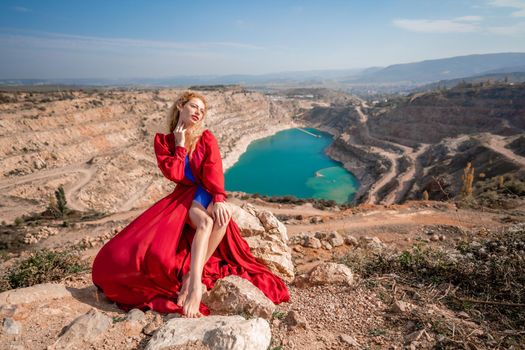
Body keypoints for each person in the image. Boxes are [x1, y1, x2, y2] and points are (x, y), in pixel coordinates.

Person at [92, 91, 290, 318]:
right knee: (202, 223)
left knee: (220, 220)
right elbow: (175, 174)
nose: (198, 112)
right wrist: (180, 145)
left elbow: (214, 169)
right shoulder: (163, 142)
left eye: (202, 110)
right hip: (185, 195)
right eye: (194, 106)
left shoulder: (206, 137)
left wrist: (219, 198)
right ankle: (194, 284)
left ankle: (191, 279)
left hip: (205, 192)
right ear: (180, 106)